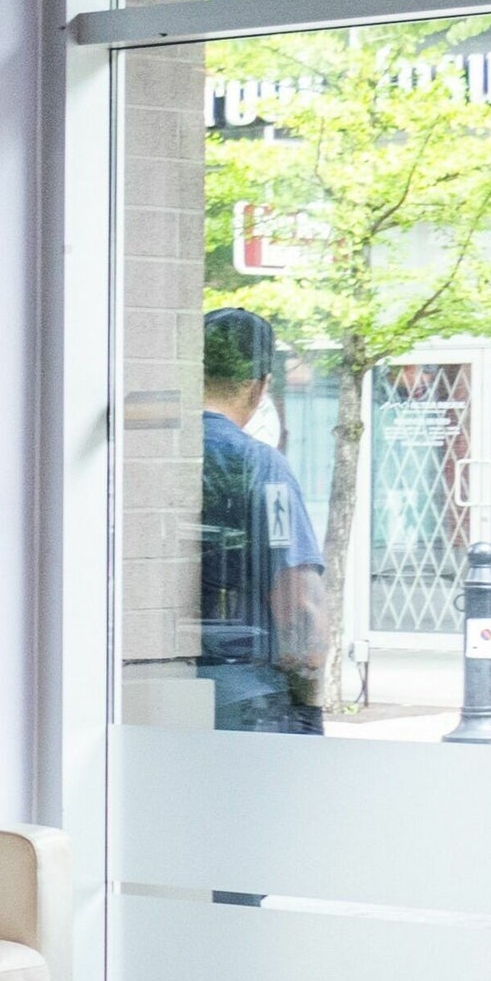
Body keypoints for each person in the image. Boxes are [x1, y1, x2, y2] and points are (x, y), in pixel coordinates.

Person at [196, 303, 327, 734]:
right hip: (247, 701)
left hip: (160, 690)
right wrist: (308, 712)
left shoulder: (152, 455)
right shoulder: (261, 466)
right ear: (259, 386)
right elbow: (299, 605)